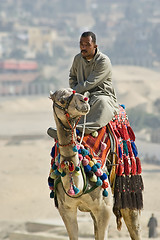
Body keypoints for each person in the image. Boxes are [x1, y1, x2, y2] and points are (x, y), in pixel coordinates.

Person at [47, 31, 119, 138]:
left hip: (101, 94)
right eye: (81, 44)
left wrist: (74, 92)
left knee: (101, 103)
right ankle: (61, 128)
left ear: (95, 46)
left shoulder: (103, 61)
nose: (83, 47)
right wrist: (73, 94)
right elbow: (72, 76)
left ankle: (78, 130)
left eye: (87, 45)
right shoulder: (77, 59)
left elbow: (90, 83)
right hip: (81, 94)